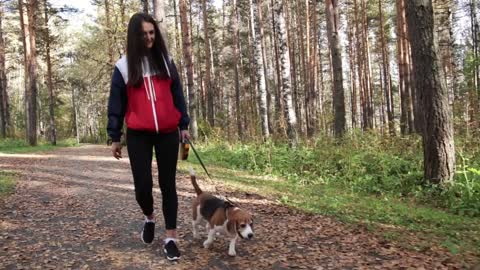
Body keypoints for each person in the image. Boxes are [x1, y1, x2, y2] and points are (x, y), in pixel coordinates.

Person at [107, 12, 190, 261]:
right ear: (135, 36)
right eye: (143, 34)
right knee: (143, 186)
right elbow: (116, 104)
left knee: (168, 185)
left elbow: (177, 95)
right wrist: (114, 136)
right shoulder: (123, 67)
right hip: (138, 135)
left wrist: (183, 124)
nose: (149, 37)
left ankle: (171, 238)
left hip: (167, 132)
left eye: (152, 32)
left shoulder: (166, 61)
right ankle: (149, 217)